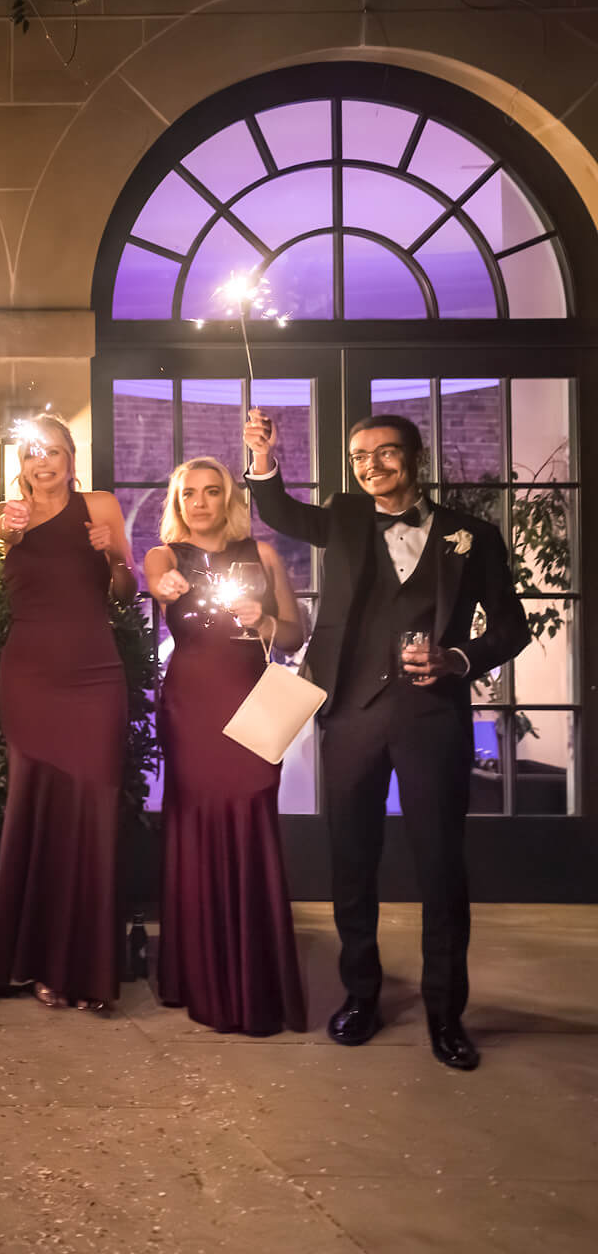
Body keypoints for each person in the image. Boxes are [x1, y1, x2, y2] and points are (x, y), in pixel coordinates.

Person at [244, 408, 528, 1070]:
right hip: (350, 714)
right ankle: (362, 998)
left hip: (432, 719)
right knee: (352, 864)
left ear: (415, 457)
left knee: (440, 868)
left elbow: (510, 627)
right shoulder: (343, 518)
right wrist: (262, 457)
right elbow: (282, 512)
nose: (372, 464)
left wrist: (457, 658)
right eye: (360, 457)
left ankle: (445, 1014)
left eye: (386, 452)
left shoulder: (471, 535)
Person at [143, 457, 308, 1036]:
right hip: (192, 705)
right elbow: (154, 578)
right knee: (198, 818)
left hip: (251, 699)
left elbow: (296, 631)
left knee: (253, 808)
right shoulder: (166, 555)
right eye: (190, 493)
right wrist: (163, 586)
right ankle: (200, 976)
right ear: (179, 502)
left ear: (229, 497)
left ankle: (254, 974)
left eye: (213, 492)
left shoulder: (261, 554)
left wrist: (264, 619)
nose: (202, 502)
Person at [0, 413, 135, 1012]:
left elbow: (124, 594)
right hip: (31, 678)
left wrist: (115, 557)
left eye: (52, 452)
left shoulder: (100, 506)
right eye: (30, 454)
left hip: (95, 675)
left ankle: (89, 971)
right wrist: (4, 533)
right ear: (20, 463)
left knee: (94, 816)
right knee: (35, 814)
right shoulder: (7, 514)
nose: (41, 463)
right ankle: (34, 962)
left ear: (71, 455)